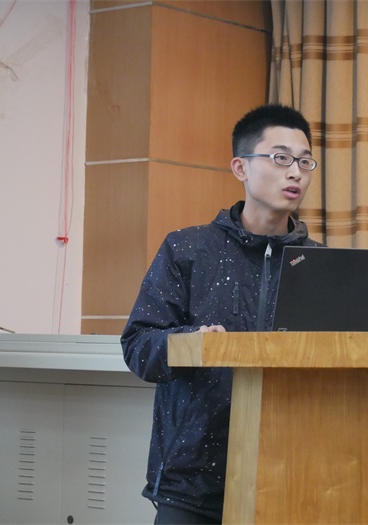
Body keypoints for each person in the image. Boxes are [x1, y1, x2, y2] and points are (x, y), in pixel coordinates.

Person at [121, 104, 322, 524]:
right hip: (192, 479)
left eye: (305, 162)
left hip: (291, 473)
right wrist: (189, 344)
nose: (296, 173)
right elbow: (138, 344)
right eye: (281, 158)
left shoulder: (320, 264)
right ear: (240, 167)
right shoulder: (187, 249)